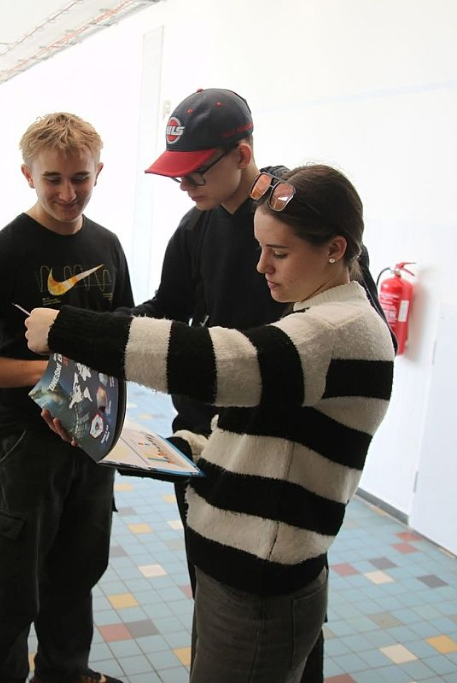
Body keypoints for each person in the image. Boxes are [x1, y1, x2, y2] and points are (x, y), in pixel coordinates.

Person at [25, 164, 395, 682]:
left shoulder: (337, 331)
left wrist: (68, 329)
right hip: (236, 574)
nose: (261, 266)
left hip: (260, 586)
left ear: (335, 249)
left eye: (279, 252)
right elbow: (252, 440)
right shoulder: (310, 318)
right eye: (260, 248)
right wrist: (125, 443)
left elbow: (219, 362)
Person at [128, 87, 391, 679]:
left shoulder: (302, 216)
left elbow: (358, 325)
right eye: (176, 176)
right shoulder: (195, 227)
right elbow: (168, 308)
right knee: (216, 603)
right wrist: (98, 332)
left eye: (196, 172)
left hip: (278, 458)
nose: (185, 186)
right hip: (205, 443)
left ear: (242, 154)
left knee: (281, 617)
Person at [0, 112, 133, 683]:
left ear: (99, 172)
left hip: (89, 441)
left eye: (80, 178)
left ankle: (64, 675)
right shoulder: (2, 253)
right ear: (27, 175)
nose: (68, 193)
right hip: (23, 444)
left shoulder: (108, 245)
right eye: (53, 179)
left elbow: (122, 335)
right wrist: (48, 373)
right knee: (12, 594)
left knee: (76, 580)